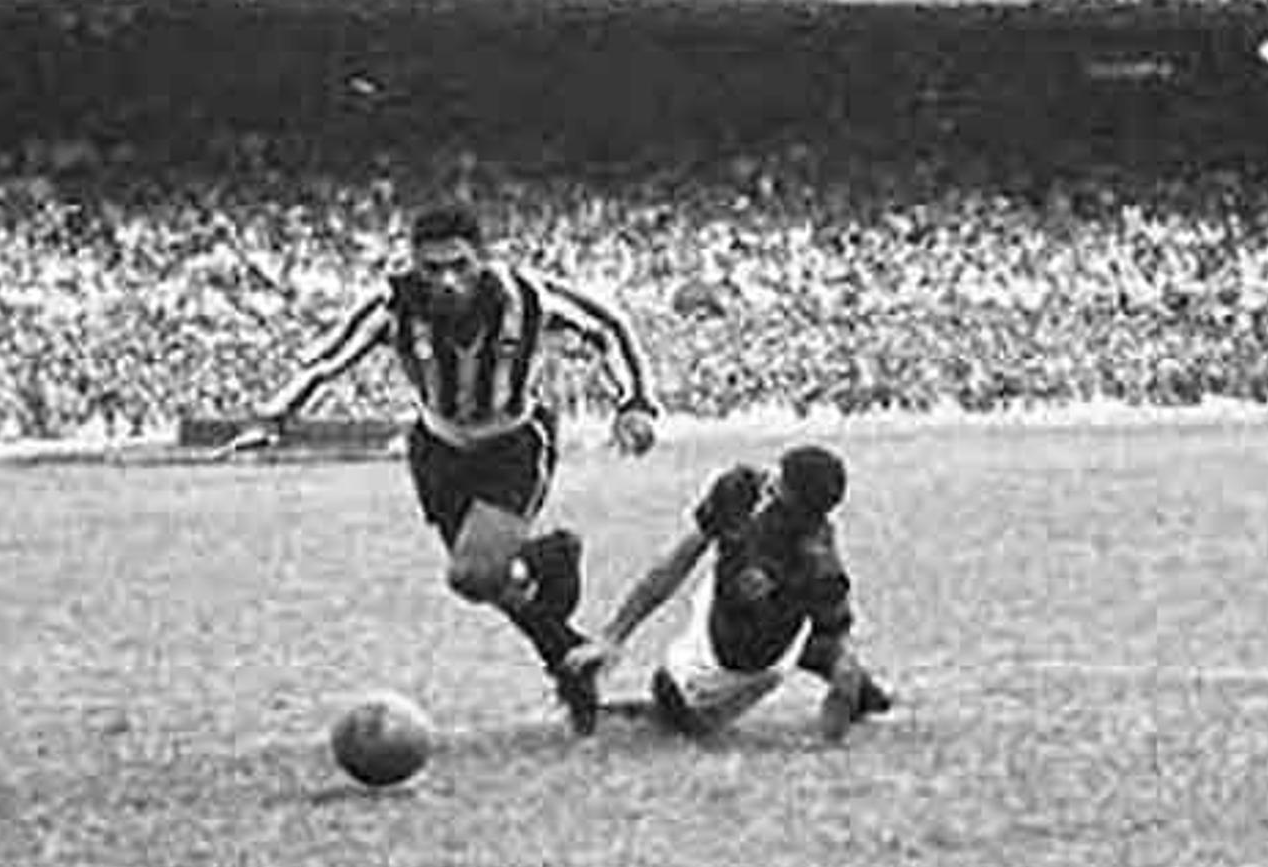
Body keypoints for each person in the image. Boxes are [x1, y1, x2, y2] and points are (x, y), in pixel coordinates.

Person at [219, 201, 660, 732]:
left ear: (483, 260)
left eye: (460, 266)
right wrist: (272, 417)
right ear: (412, 266)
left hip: (513, 441)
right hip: (438, 446)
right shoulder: (391, 305)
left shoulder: (528, 297)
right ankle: (565, 630)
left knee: (473, 574)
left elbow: (609, 326)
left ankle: (564, 650)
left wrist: (634, 403)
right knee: (484, 581)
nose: (447, 280)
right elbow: (326, 360)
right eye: (432, 269)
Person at [568, 444, 892, 742]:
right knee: (801, 629)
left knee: (673, 694)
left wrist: (825, 742)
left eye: (778, 482)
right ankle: (868, 696)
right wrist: (613, 636)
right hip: (761, 621)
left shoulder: (818, 565)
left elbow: (840, 654)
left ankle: (661, 715)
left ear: (791, 499)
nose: (768, 482)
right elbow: (674, 565)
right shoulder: (742, 492)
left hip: (730, 663)